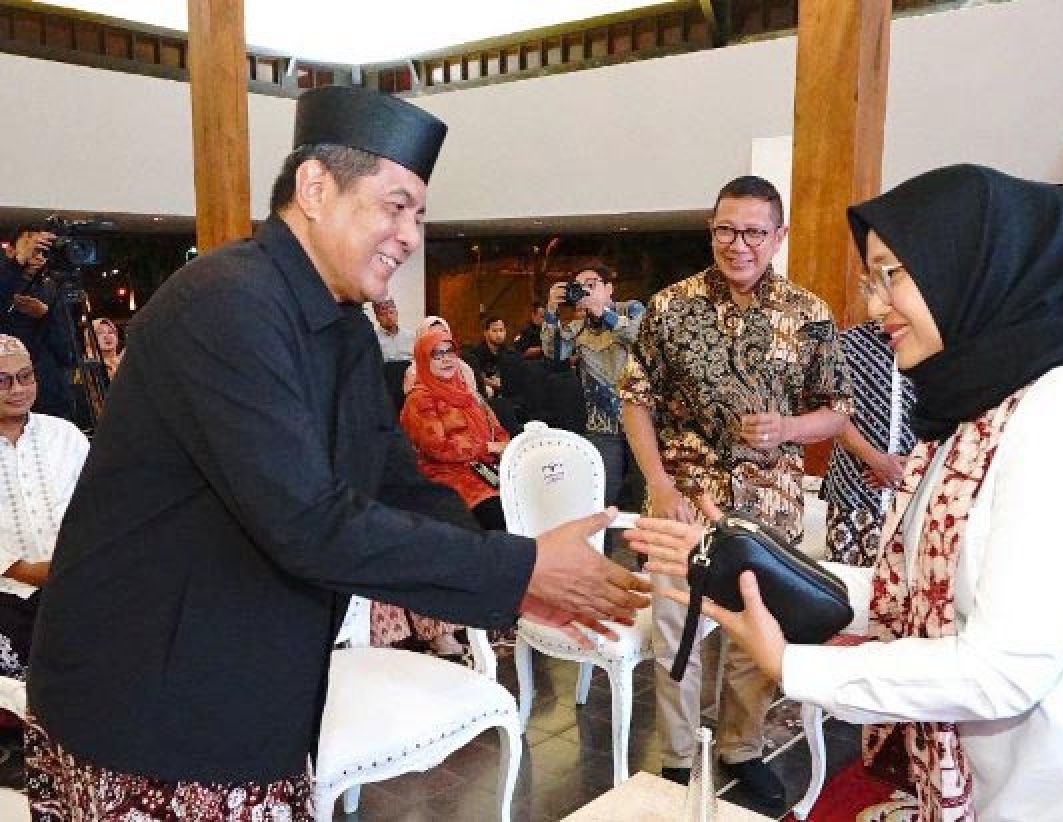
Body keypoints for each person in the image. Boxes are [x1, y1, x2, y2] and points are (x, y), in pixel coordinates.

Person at [25, 85, 649, 818]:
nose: (410, 235)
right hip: (149, 696)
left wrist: (517, 573)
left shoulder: (342, 322)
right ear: (315, 188)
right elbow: (307, 521)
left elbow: (390, 479)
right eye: (396, 206)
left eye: (418, 215)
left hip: (249, 677)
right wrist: (520, 569)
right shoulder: (225, 304)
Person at [654, 165, 1063, 821]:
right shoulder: (977, 416)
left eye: (892, 275)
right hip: (1031, 788)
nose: (876, 305)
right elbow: (914, 592)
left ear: (973, 267)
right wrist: (754, 566)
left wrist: (793, 666)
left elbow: (1001, 670)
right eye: (872, 281)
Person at [619, 175, 853, 811]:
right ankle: (675, 758)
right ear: (711, 230)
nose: (738, 244)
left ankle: (741, 748)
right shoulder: (670, 307)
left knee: (755, 638)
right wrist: (658, 482)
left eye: (754, 232)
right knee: (677, 633)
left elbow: (838, 411)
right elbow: (634, 399)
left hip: (770, 505)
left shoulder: (809, 313)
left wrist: (788, 428)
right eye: (726, 229)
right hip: (682, 502)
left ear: (778, 236)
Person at [0, 336, 88, 682]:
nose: (18, 389)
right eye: (3, 380)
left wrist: (75, 565)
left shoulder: (65, 436)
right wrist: (28, 571)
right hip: (7, 594)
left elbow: (100, 506)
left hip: (81, 580)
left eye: (26, 376)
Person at [544, 263, 646, 550]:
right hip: (602, 425)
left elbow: (641, 337)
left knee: (648, 499)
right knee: (598, 500)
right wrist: (551, 311)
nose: (585, 291)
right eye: (580, 286)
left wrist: (603, 312)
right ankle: (599, 560)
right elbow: (554, 354)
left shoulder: (631, 310)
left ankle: (649, 565)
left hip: (643, 423)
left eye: (592, 284)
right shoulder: (578, 327)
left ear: (609, 288)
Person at [822, 321, 916, 566]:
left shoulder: (929, 344)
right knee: (844, 581)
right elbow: (832, 413)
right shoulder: (844, 344)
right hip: (854, 487)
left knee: (900, 579)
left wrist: (914, 465)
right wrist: (876, 460)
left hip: (913, 490)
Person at [401, 326, 509, 531]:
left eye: (449, 352)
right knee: (500, 514)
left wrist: (505, 447)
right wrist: (487, 447)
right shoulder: (419, 400)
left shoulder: (467, 393)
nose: (446, 359)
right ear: (423, 360)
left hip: (486, 467)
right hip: (448, 475)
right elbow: (437, 447)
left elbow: (496, 429)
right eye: (437, 354)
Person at [0, 228, 76, 422]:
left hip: (49, 396)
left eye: (42, 250)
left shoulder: (51, 289)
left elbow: (67, 351)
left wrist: (45, 315)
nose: (36, 255)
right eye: (30, 246)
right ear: (10, 250)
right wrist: (18, 263)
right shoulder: (6, 279)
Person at [371, 297, 416, 411]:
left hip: (410, 386)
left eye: (391, 312)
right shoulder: (372, 339)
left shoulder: (411, 337)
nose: (389, 317)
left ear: (396, 312)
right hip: (386, 389)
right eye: (383, 314)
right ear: (377, 317)